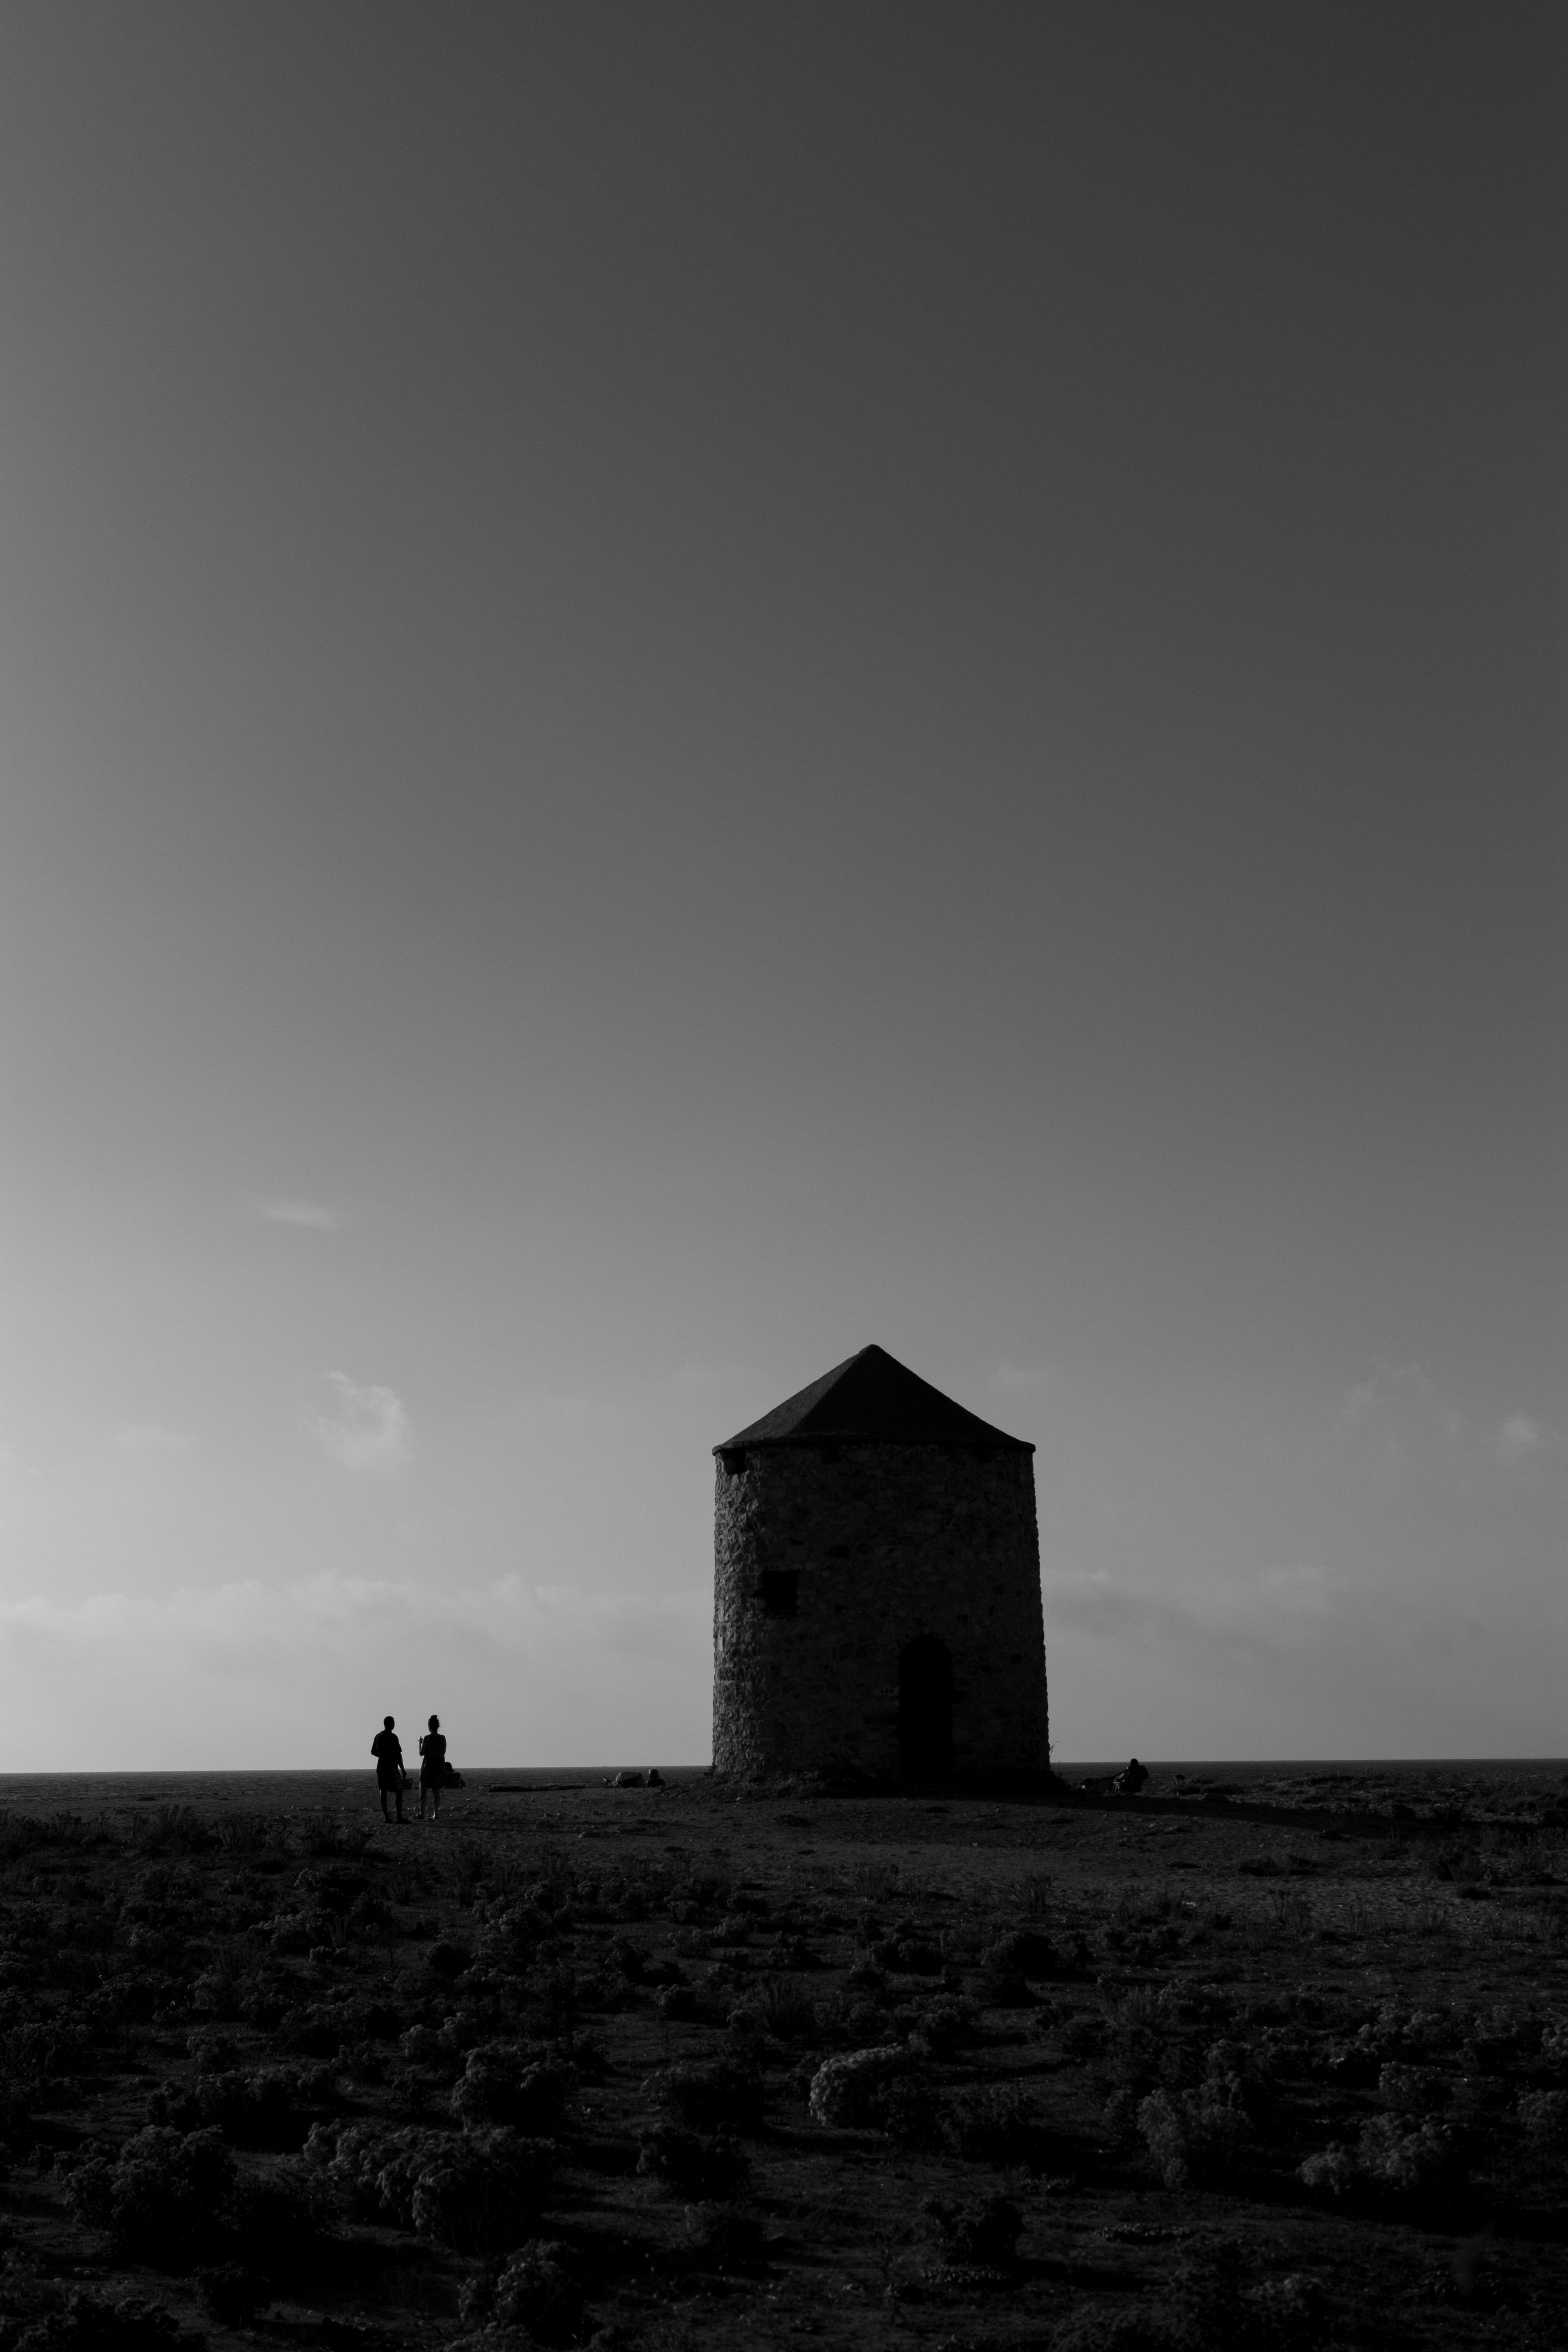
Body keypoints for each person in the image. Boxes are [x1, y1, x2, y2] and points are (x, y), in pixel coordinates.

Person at [371, 1715, 406, 1823]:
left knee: (383, 1790)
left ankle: (386, 1816)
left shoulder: (378, 1737)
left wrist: (383, 1756)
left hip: (381, 1766)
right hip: (392, 1767)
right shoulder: (393, 1737)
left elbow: (374, 1752)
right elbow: (398, 1754)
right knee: (399, 1791)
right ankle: (399, 1816)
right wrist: (403, 1769)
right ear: (392, 1725)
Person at [418, 1714, 448, 1820]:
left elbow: (422, 1753)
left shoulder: (427, 1738)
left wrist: (420, 1745)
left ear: (429, 1726)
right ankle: (436, 1813)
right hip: (439, 1766)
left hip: (428, 1766)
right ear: (438, 1726)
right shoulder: (443, 1738)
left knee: (424, 1790)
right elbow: (444, 1752)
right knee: (436, 1791)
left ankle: (422, 1813)